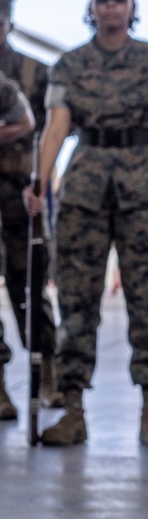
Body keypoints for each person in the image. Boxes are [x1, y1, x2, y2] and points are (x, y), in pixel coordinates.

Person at [25, 0, 148, 447]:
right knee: (76, 300)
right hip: (86, 186)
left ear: (132, 7)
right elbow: (55, 128)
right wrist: (39, 182)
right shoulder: (68, 65)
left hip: (143, 187)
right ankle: (72, 409)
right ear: (91, 8)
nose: (111, 6)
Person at [0, 0, 60, 415]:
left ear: (9, 24)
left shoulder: (36, 73)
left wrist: (40, 182)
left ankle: (47, 372)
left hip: (22, 194)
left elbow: (52, 129)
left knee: (31, 283)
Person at [0, 66, 37, 419]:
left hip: (13, 194)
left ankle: (48, 371)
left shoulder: (4, 86)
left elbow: (26, 122)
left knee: (27, 282)